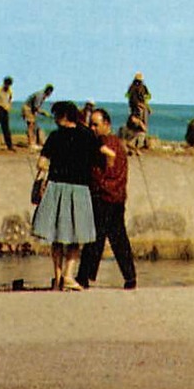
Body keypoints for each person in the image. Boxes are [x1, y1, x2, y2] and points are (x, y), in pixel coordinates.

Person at [31, 101, 98, 290]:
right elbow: (97, 158)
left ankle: (58, 277)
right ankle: (69, 275)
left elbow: (42, 163)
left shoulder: (54, 136)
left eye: (56, 116)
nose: (55, 119)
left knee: (56, 236)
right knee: (76, 236)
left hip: (56, 187)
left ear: (63, 116)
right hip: (80, 189)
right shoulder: (87, 135)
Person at [75, 108, 137, 290]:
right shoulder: (114, 143)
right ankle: (129, 277)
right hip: (115, 198)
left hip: (105, 197)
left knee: (96, 239)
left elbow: (108, 171)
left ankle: (84, 277)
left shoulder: (107, 145)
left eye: (96, 124)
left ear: (106, 125)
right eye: (91, 124)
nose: (92, 128)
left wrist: (96, 185)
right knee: (117, 239)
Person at [0, 76, 15, 150]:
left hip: (5, 110)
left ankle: (9, 145)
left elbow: (10, 100)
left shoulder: (10, 91)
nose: (8, 85)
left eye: (9, 84)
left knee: (6, 128)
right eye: (7, 83)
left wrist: (8, 107)